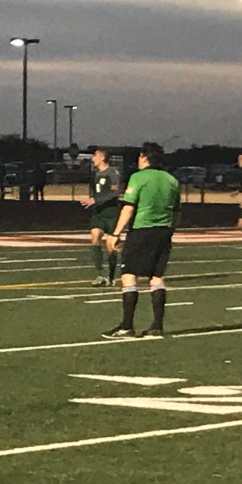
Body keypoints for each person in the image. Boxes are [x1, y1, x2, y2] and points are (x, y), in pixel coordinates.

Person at [103, 142, 181, 339]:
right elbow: (177, 212)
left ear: (145, 157)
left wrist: (115, 233)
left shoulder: (138, 178)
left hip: (141, 230)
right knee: (156, 277)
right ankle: (156, 326)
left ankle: (127, 326)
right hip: (164, 231)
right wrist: (170, 230)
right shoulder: (171, 180)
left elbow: (128, 207)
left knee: (129, 274)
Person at [79, 148, 121, 286]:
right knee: (95, 237)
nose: (93, 158)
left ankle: (111, 276)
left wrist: (96, 200)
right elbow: (97, 194)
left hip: (111, 213)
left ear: (102, 158)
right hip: (98, 213)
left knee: (110, 245)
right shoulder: (95, 175)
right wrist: (93, 199)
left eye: (95, 155)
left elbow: (114, 193)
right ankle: (100, 274)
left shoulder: (112, 173)